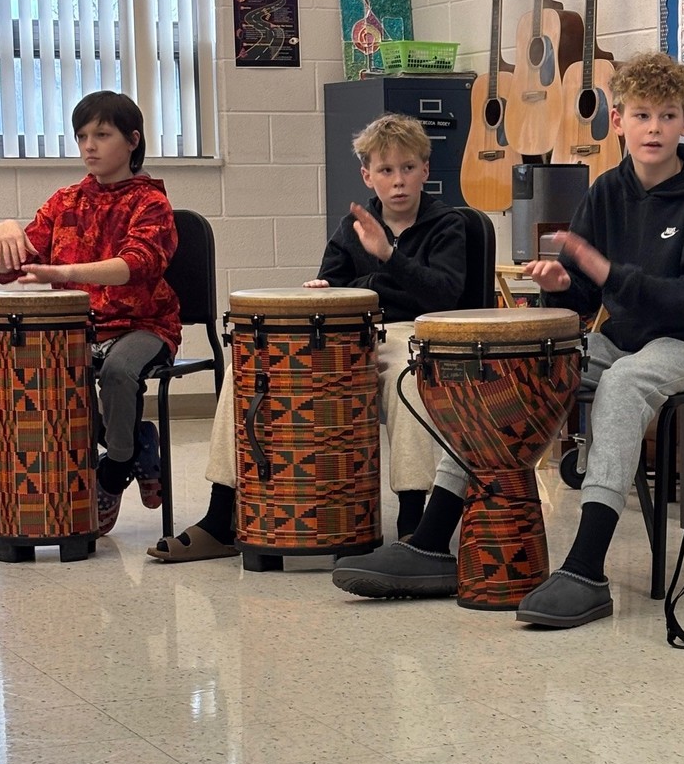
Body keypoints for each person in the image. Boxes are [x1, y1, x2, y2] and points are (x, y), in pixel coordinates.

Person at [332, 51, 684, 628]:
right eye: (642, 115)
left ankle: (586, 567)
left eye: (668, 116)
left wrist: (605, 274)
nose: (654, 128)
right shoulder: (606, 191)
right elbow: (582, 300)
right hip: (623, 338)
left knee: (624, 383)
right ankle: (432, 541)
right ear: (618, 120)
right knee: (512, 369)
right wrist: (561, 284)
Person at [147, 112, 467, 562]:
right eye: (386, 170)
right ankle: (222, 516)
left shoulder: (449, 225)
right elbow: (332, 289)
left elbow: (442, 293)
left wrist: (386, 261)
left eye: (408, 168)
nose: (398, 181)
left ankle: (413, 522)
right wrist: (330, 290)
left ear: (426, 170)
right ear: (367, 175)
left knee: (407, 378)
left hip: (411, 334)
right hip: (351, 337)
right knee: (246, 371)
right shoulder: (351, 228)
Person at [0, 90, 181, 535]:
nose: (89, 146)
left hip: (144, 326)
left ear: (132, 140)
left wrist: (64, 269)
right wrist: (5, 228)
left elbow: (136, 265)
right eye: (82, 136)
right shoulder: (64, 202)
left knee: (119, 371)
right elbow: (16, 265)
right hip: (83, 329)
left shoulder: (151, 203)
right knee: (55, 371)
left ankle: (115, 469)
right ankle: (137, 440)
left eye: (102, 134)